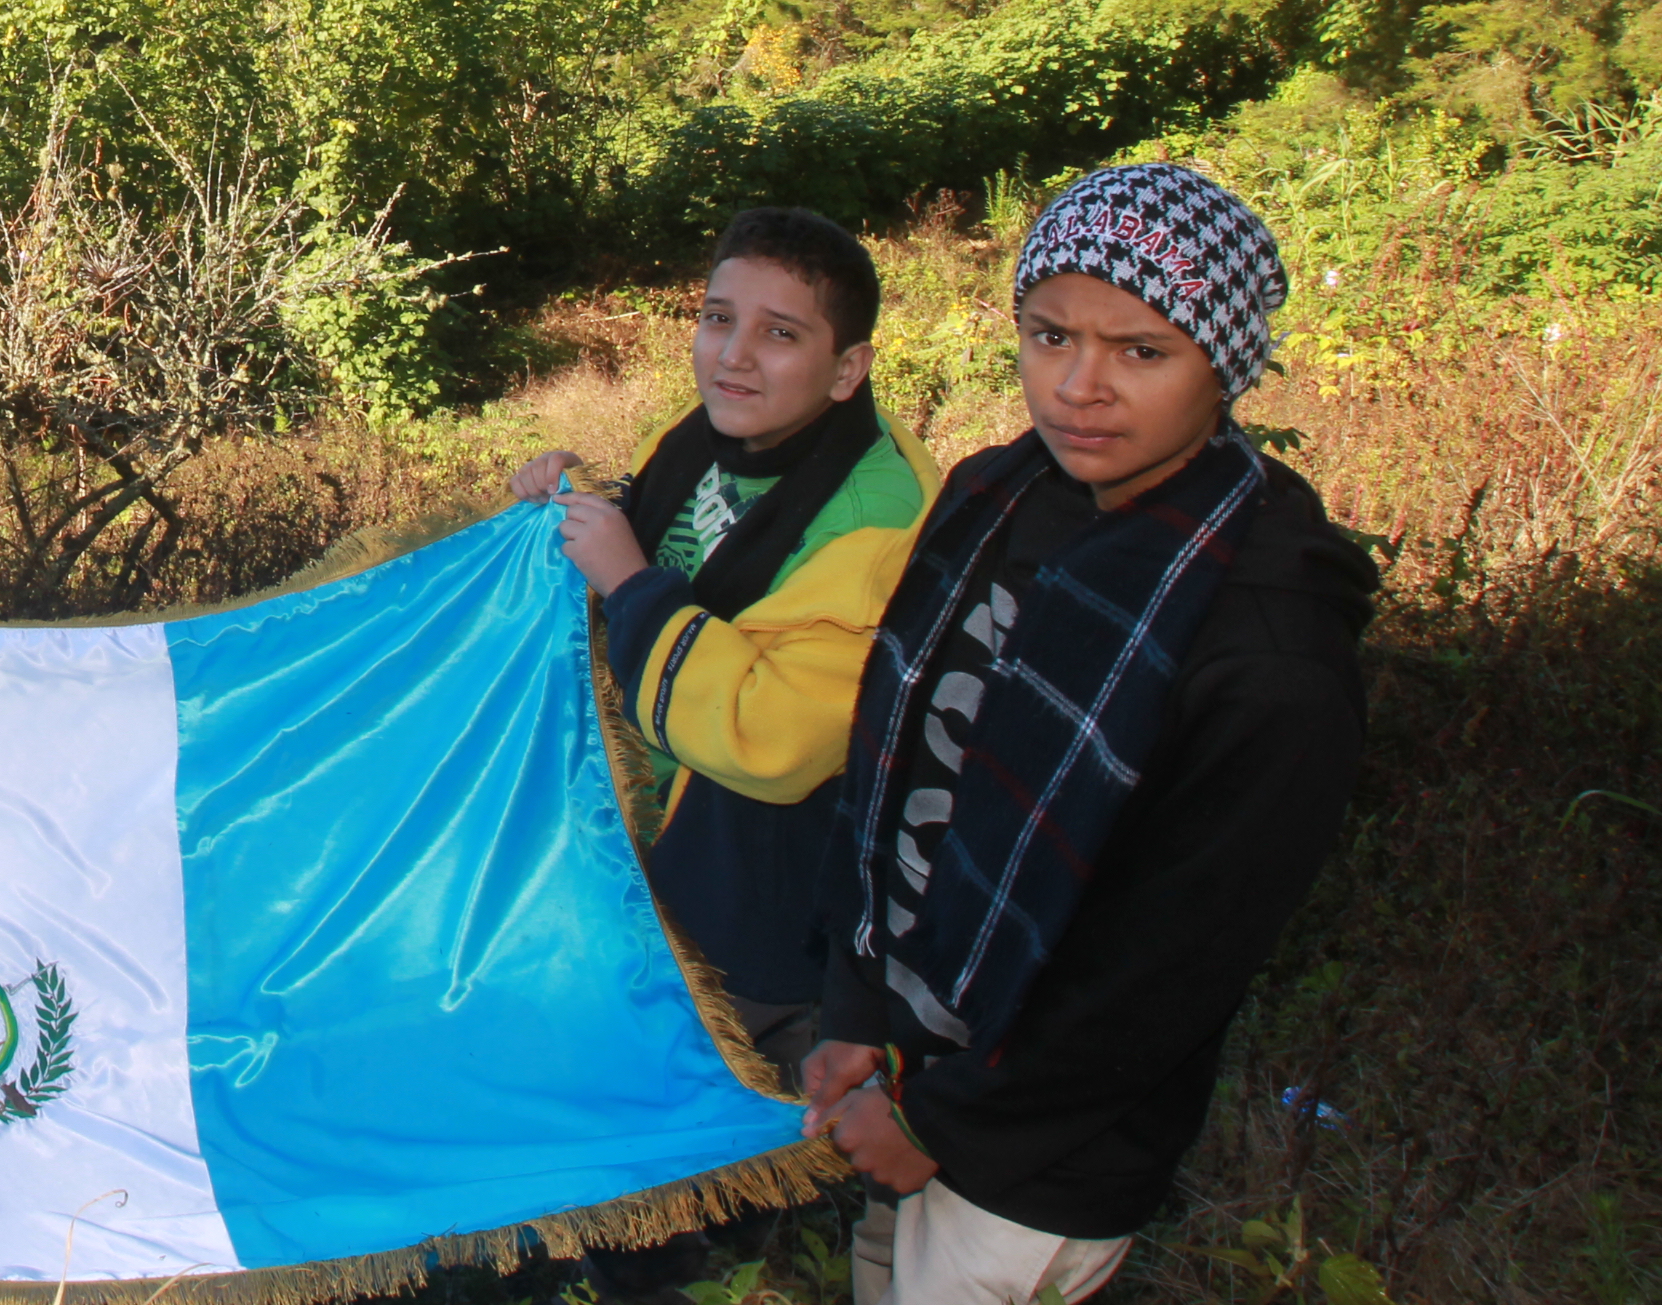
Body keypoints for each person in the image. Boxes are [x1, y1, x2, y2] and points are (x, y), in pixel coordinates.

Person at [801, 165, 1375, 1304]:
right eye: (1050, 334)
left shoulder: (1260, 638)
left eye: (1141, 350)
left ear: (1226, 360)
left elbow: (1168, 961)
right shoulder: (998, 496)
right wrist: (861, 1009)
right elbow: (899, 753)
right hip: (908, 1053)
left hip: (1033, 1156)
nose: (1079, 387)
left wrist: (945, 1120)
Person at [515, 206, 935, 1079]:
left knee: (706, 1123)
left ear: (848, 368)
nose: (733, 355)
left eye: (780, 334)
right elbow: (675, 535)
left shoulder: (876, 523)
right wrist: (577, 507)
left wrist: (628, 582)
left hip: (755, 906)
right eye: (716, 318)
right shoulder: (711, 423)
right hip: (651, 851)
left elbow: (771, 736)